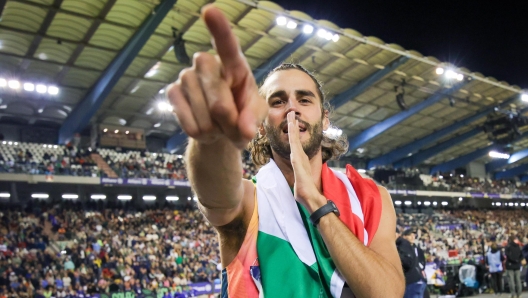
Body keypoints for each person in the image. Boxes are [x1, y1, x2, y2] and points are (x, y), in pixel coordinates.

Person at [167, 4, 404, 298]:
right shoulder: (250, 201)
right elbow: (214, 196)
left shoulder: (370, 197)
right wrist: (213, 138)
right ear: (262, 126)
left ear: (325, 118)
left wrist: (316, 203)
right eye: (277, 102)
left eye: (304, 100)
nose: (291, 107)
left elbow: (387, 294)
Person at [397, 229, 426, 298]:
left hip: (418, 279)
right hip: (411, 280)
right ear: (404, 236)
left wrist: (419, 268)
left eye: (414, 235)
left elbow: (422, 262)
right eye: (410, 235)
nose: (413, 237)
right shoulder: (403, 247)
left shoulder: (418, 249)